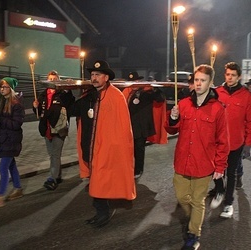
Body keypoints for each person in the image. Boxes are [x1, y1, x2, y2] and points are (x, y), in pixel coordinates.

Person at [165, 64, 229, 249]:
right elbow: (170, 128)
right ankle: (192, 218)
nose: (198, 83)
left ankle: (194, 234)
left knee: (197, 200)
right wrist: (173, 117)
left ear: (210, 83)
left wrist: (219, 166)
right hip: (182, 161)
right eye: (196, 80)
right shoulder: (183, 104)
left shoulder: (217, 108)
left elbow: (223, 141)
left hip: (204, 163)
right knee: (182, 198)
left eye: (203, 80)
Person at [72, 60, 136, 227]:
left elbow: (123, 127)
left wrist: (117, 148)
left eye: (97, 75)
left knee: (99, 182)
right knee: (96, 181)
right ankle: (102, 210)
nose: (94, 78)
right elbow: (75, 110)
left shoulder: (116, 96)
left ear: (106, 77)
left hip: (106, 148)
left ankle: (103, 212)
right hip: (90, 147)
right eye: (92, 75)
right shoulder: (89, 95)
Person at [210, 62, 251, 218]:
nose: (230, 77)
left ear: (239, 76)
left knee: (231, 173)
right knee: (214, 169)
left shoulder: (246, 96)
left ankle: (228, 203)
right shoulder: (216, 92)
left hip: (235, 142)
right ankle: (219, 190)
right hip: (216, 141)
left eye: (233, 75)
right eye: (228, 74)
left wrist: (248, 144)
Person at [32, 70, 75, 191]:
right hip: (46, 128)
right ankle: (58, 175)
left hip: (59, 128)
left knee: (55, 154)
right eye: (50, 79)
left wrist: (67, 88)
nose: (52, 81)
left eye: (54, 79)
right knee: (53, 154)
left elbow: (70, 101)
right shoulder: (43, 94)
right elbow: (39, 112)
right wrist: (35, 106)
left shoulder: (62, 93)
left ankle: (52, 178)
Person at [0, 77, 25, 208]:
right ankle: (18, 188)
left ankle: (0, 196)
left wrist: (2, 120)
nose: (2, 89)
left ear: (11, 89)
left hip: (11, 139)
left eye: (5, 87)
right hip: (3, 139)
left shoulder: (16, 104)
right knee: (11, 165)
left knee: (3, 167)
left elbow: (17, 124)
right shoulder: (2, 102)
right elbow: (1, 122)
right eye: (1, 87)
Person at [122, 71, 165, 178]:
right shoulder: (127, 92)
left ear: (139, 81)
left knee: (139, 149)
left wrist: (155, 88)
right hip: (129, 126)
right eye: (131, 82)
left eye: (135, 81)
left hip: (141, 127)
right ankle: (129, 168)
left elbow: (159, 99)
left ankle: (138, 169)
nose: (134, 84)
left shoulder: (147, 92)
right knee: (129, 149)